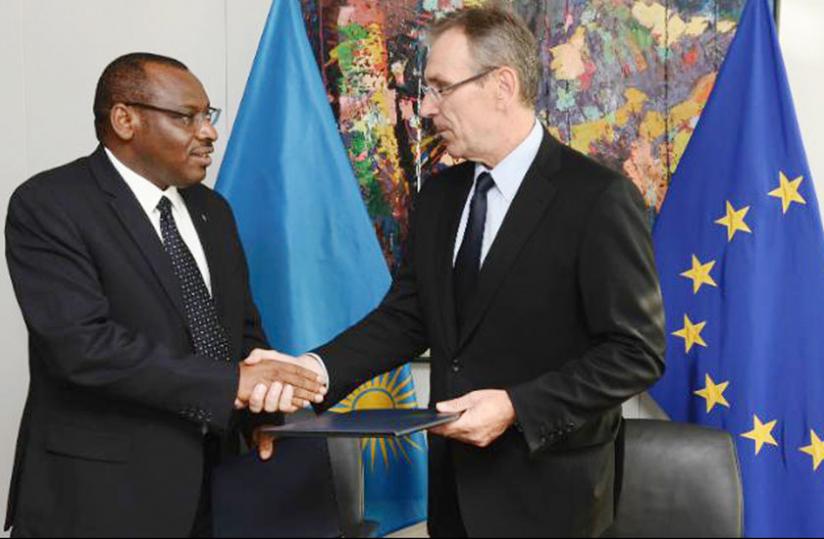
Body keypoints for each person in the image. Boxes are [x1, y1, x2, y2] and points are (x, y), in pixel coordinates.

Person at [250, 6, 666, 538]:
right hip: (453, 497)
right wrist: (307, 373)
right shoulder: (441, 197)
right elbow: (406, 318)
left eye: (441, 88)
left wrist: (516, 406)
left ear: (501, 85)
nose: (425, 108)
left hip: (551, 501)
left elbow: (636, 352)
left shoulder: (598, 199)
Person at [3, 53, 326, 538]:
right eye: (186, 116)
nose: (209, 132)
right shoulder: (51, 204)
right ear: (125, 119)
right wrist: (231, 383)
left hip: (209, 492)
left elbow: (239, 332)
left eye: (207, 115)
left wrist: (262, 406)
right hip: (96, 499)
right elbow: (81, 348)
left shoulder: (212, 210)